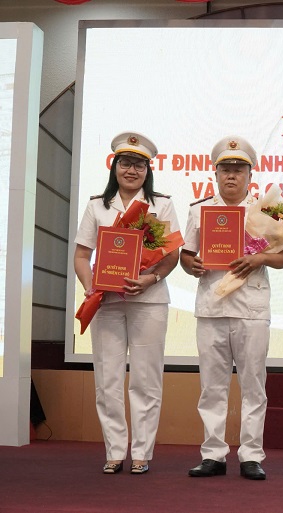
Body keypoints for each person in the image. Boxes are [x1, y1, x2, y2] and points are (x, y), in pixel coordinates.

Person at [182, 136, 283, 480]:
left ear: (250, 175)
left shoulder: (266, 212)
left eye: (238, 169)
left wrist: (260, 258)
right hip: (212, 306)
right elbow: (186, 254)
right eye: (225, 169)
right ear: (215, 174)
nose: (231, 175)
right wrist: (191, 265)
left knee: (253, 385)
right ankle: (213, 454)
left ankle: (251, 455)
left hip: (251, 308)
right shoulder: (198, 210)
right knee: (212, 387)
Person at [74, 132, 180, 475]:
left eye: (139, 165)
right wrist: (90, 287)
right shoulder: (97, 206)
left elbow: (172, 255)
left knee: (146, 378)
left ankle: (142, 452)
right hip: (106, 302)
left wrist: (150, 278)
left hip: (148, 301)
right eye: (125, 163)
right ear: (114, 166)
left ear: (148, 170)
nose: (132, 170)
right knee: (107, 377)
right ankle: (115, 451)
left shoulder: (161, 205)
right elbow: (81, 255)